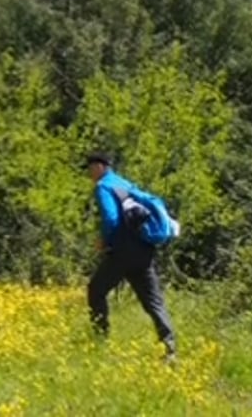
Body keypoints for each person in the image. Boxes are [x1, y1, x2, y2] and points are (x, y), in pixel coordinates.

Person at [83, 152, 178, 362]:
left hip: (122, 252)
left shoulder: (103, 186)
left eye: (90, 168)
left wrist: (104, 241)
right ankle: (170, 350)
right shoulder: (124, 183)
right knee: (154, 302)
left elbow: (111, 219)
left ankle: (100, 342)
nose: (90, 173)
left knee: (96, 291)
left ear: (100, 166)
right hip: (144, 250)